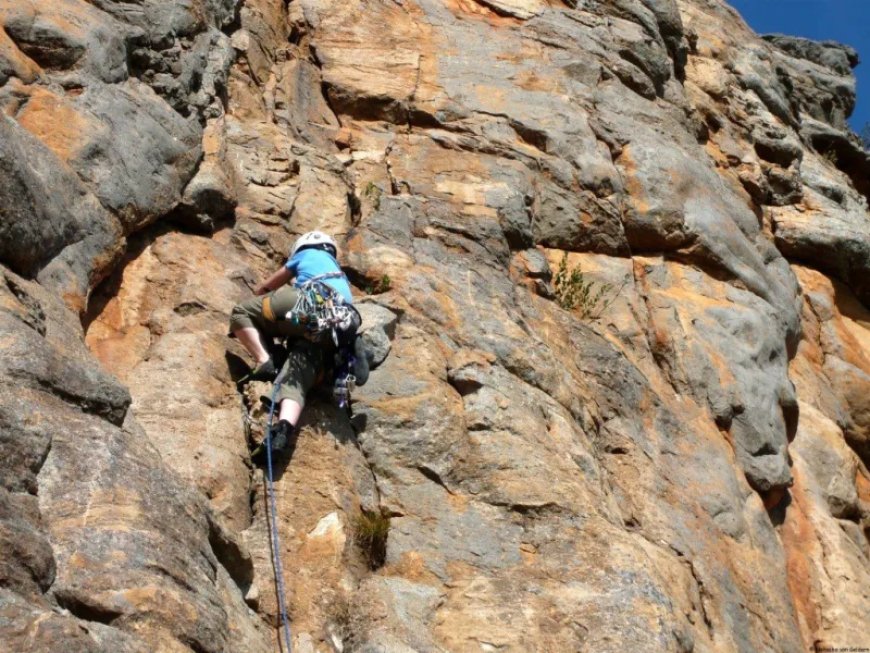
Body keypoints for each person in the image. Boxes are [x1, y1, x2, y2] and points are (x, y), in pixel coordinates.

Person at [229, 231, 355, 460]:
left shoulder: (306, 254)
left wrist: (262, 296)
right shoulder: (339, 274)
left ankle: (264, 360)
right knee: (296, 377)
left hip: (308, 302)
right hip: (336, 327)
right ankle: (284, 429)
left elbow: (269, 286)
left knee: (241, 312)